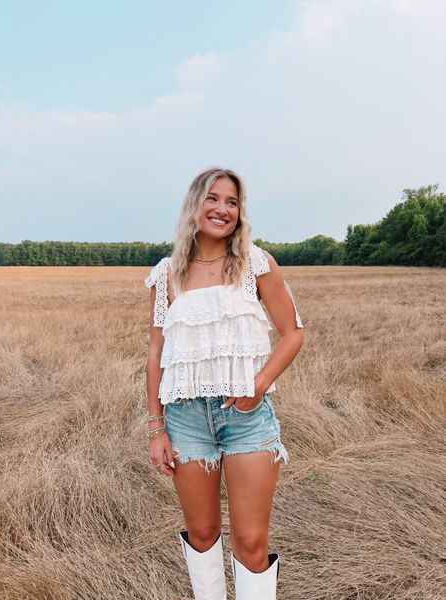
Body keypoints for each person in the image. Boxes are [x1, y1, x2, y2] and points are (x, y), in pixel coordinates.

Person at [145, 167, 304, 600]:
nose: (222, 209)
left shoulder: (257, 263)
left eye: (232, 202)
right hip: (186, 420)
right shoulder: (167, 276)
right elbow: (157, 352)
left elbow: (293, 333)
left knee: (251, 542)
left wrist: (258, 386)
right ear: (195, 205)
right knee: (202, 532)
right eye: (212, 198)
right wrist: (157, 428)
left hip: (247, 418)